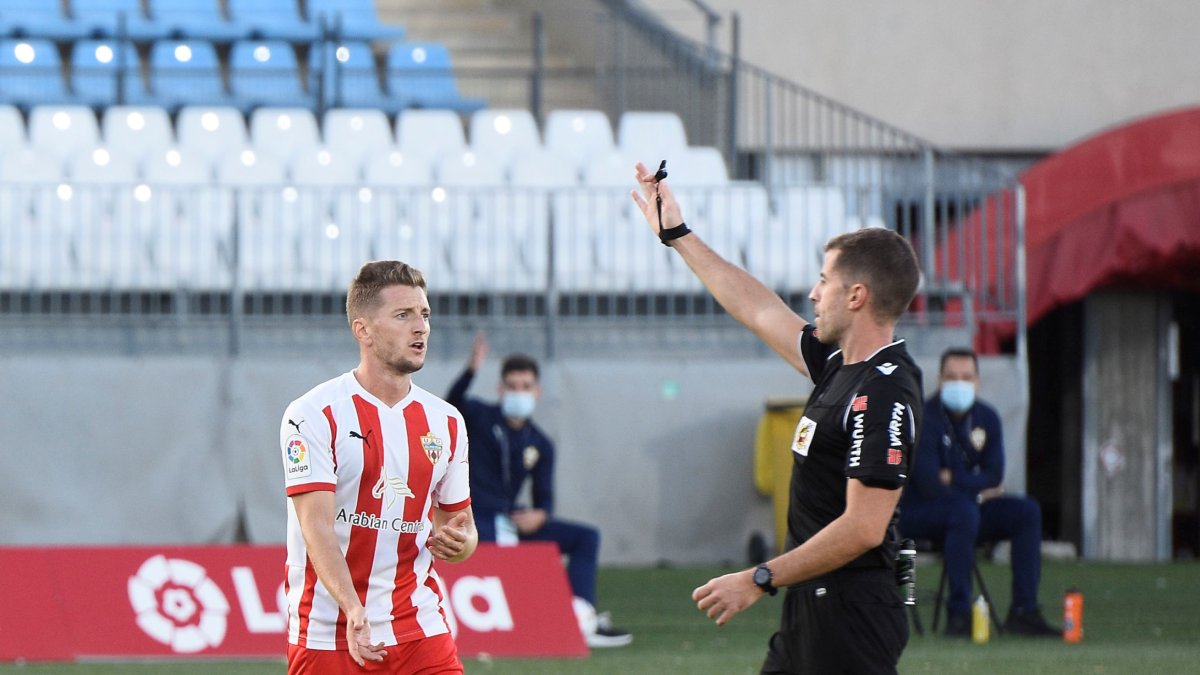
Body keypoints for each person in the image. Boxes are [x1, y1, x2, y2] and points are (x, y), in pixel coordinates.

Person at [631, 163, 922, 673]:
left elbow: (864, 528)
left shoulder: (884, 392)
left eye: (824, 281)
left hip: (852, 619)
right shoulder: (839, 367)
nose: (812, 294)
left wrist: (758, 578)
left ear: (856, 296)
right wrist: (678, 235)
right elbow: (759, 309)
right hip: (812, 607)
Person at [279, 260, 477, 674]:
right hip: (329, 630)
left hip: (419, 626)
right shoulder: (313, 415)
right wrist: (353, 609)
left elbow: (461, 525)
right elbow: (316, 526)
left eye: (424, 314)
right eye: (403, 315)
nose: (420, 327)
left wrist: (463, 543)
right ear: (363, 330)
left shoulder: (446, 421)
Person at [446, 333, 633, 648]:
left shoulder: (540, 442)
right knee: (493, 542)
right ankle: (516, 619)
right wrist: (470, 370)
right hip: (476, 518)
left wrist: (540, 515)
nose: (519, 393)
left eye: (525, 387)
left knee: (586, 537)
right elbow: (452, 403)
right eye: (512, 386)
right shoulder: (479, 417)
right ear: (500, 390)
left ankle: (582, 617)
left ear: (537, 391)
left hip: (510, 520)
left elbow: (544, 496)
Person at [899, 347, 1059, 637]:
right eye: (951, 377)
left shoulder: (988, 418)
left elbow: (995, 474)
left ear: (978, 381)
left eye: (966, 377)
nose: (959, 383)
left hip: (967, 513)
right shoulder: (925, 418)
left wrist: (955, 480)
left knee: (1027, 511)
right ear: (939, 380)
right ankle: (959, 615)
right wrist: (976, 491)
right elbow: (930, 484)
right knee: (964, 512)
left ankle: (1024, 611)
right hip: (922, 512)